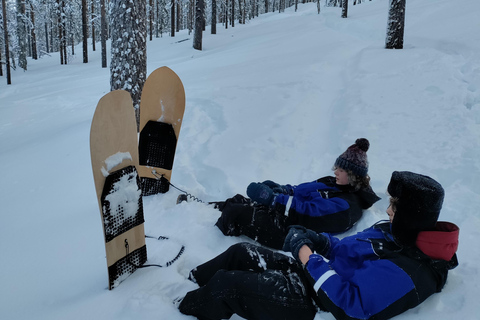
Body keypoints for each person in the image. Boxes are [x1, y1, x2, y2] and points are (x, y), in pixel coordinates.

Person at [178, 171, 459, 320]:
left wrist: (306, 254)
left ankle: (175, 311)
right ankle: (189, 281)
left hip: (317, 305)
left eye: (394, 208)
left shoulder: (413, 272)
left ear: (410, 217)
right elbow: (345, 249)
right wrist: (319, 242)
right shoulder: (393, 233)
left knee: (230, 285)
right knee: (239, 253)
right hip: (314, 276)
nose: (387, 212)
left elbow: (352, 306)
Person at [214, 138, 380, 249]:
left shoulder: (347, 206)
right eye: (337, 167)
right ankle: (203, 207)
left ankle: (210, 239)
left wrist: (273, 200)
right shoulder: (332, 182)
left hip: (291, 233)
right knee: (237, 200)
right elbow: (302, 189)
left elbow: (308, 214)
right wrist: (281, 189)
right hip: (285, 216)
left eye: (341, 169)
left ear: (353, 175)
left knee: (235, 213)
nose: (336, 171)